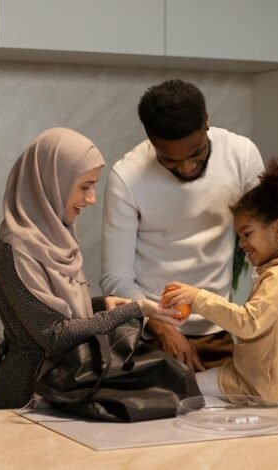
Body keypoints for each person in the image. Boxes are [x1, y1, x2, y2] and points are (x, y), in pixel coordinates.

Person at [0, 127, 185, 410]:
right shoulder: (17, 247)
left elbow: (54, 311)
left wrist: (103, 304)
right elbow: (53, 335)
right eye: (85, 186)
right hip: (27, 397)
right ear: (54, 182)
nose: (91, 199)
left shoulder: (54, 238)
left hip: (64, 390)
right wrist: (136, 309)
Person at [101, 79, 264, 371]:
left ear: (207, 122)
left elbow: (264, 250)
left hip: (218, 330)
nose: (187, 168)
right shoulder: (126, 176)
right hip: (150, 335)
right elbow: (117, 277)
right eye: (170, 162)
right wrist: (159, 325)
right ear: (151, 141)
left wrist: (256, 321)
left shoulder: (242, 156)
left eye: (196, 154)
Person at [162, 158, 278, 405]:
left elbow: (249, 322)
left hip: (261, 386)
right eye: (239, 235)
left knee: (180, 389)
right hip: (273, 383)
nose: (242, 243)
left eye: (247, 233)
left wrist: (197, 297)